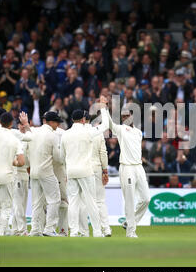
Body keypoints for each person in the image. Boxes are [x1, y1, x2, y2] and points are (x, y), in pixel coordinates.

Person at [61, 99, 109, 238]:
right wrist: (104, 108)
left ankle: (74, 232)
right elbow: (105, 125)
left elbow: (61, 156)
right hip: (86, 171)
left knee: (74, 203)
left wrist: (66, 172)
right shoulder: (89, 132)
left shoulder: (65, 134)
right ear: (83, 119)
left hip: (71, 171)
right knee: (91, 201)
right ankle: (98, 232)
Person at [104, 106, 150, 238]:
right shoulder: (120, 129)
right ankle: (131, 231)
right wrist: (104, 109)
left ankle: (129, 222)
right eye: (123, 117)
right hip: (127, 167)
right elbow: (110, 123)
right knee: (129, 200)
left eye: (127, 116)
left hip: (139, 167)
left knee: (146, 199)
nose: (125, 118)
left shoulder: (139, 132)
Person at [27, 111, 63, 237]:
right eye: (57, 122)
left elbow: (27, 149)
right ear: (51, 122)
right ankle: (49, 228)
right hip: (46, 171)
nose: (58, 125)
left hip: (34, 171)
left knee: (37, 202)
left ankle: (35, 229)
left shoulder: (34, 132)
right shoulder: (52, 135)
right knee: (54, 199)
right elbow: (58, 158)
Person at [81, 112, 112, 237]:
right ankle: (106, 229)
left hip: (83, 169)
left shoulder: (78, 134)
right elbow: (103, 153)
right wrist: (105, 171)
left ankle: (84, 232)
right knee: (100, 201)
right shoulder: (98, 133)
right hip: (97, 168)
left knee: (84, 201)